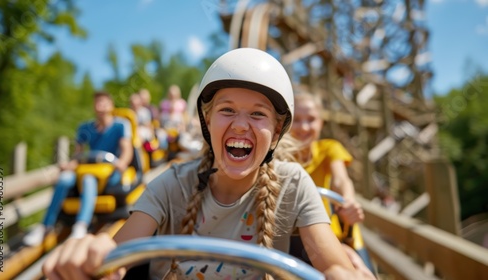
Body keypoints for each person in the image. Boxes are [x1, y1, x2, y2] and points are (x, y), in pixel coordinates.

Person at [42, 48, 370, 280]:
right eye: (227, 110)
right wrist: (92, 256)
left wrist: (345, 271)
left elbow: (333, 265)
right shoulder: (172, 184)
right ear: (207, 122)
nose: (241, 125)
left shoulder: (293, 183)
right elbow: (116, 255)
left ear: (276, 132)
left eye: (258, 114)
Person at [23, 92, 133, 246]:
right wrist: (69, 166)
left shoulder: (120, 125)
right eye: (97, 103)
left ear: (111, 105)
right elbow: (78, 154)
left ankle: (81, 225)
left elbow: (126, 149)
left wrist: (122, 162)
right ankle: (45, 226)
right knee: (65, 179)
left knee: (88, 179)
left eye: (104, 103)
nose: (100, 106)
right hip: (89, 166)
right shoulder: (85, 128)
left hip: (109, 169)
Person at [288, 92, 375, 278]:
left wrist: (348, 200)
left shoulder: (328, 148)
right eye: (297, 120)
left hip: (332, 235)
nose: (304, 127)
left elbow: (340, 179)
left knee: (362, 269)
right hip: (293, 236)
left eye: (311, 119)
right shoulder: (280, 156)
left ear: (321, 123)